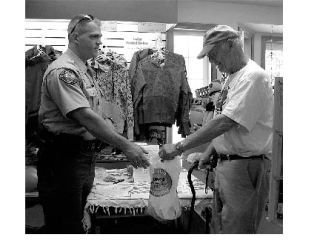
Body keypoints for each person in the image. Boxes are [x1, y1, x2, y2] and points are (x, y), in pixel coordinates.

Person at [37, 14, 149, 233]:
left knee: (78, 219)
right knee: (65, 225)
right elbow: (85, 116)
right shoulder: (63, 71)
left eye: (101, 36)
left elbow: (97, 112)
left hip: (81, 156)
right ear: (74, 37)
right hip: (63, 159)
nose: (100, 41)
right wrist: (125, 145)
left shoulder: (84, 70)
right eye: (94, 36)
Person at [159, 25, 273, 234]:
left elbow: (225, 122)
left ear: (231, 44)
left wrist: (179, 146)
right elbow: (229, 122)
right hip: (229, 164)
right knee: (219, 225)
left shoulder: (253, 77)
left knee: (236, 229)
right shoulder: (232, 77)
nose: (212, 61)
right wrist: (212, 149)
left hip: (245, 167)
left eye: (213, 54)